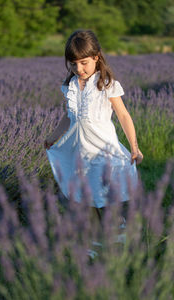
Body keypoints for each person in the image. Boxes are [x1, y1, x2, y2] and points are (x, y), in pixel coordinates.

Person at [44, 29, 143, 226]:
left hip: (102, 150)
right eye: (73, 64)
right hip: (79, 151)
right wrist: (53, 137)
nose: (78, 68)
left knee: (104, 193)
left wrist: (134, 145)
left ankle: (117, 231)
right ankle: (96, 237)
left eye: (83, 62)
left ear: (96, 58)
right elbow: (69, 116)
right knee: (85, 193)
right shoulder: (70, 86)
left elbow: (123, 115)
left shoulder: (106, 84)